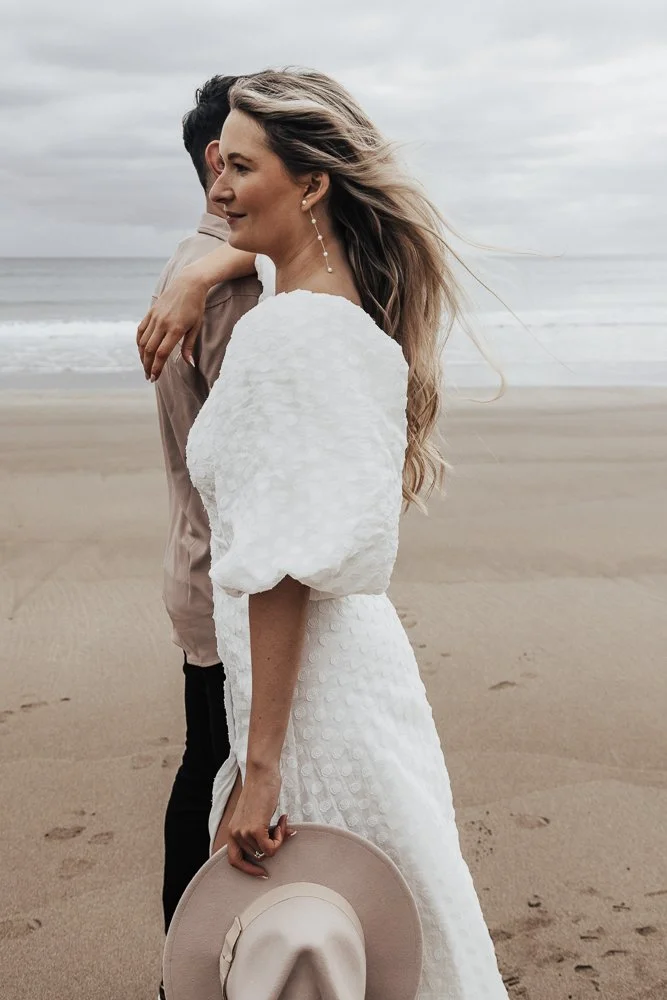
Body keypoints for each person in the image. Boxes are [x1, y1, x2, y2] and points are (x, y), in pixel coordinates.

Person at [143, 68, 509, 999]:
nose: (216, 187)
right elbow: (273, 260)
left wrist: (260, 768)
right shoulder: (344, 321)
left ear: (311, 183)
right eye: (215, 165)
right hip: (353, 679)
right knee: (389, 936)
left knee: (316, 945)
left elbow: (283, 570)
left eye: (241, 168)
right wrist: (212, 263)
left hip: (303, 698)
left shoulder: (284, 337)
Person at [145, 75, 267, 951]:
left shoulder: (210, 269)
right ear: (216, 161)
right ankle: (190, 961)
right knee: (218, 776)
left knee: (208, 765)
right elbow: (253, 464)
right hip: (231, 577)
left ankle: (185, 961)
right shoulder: (224, 290)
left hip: (199, 561)